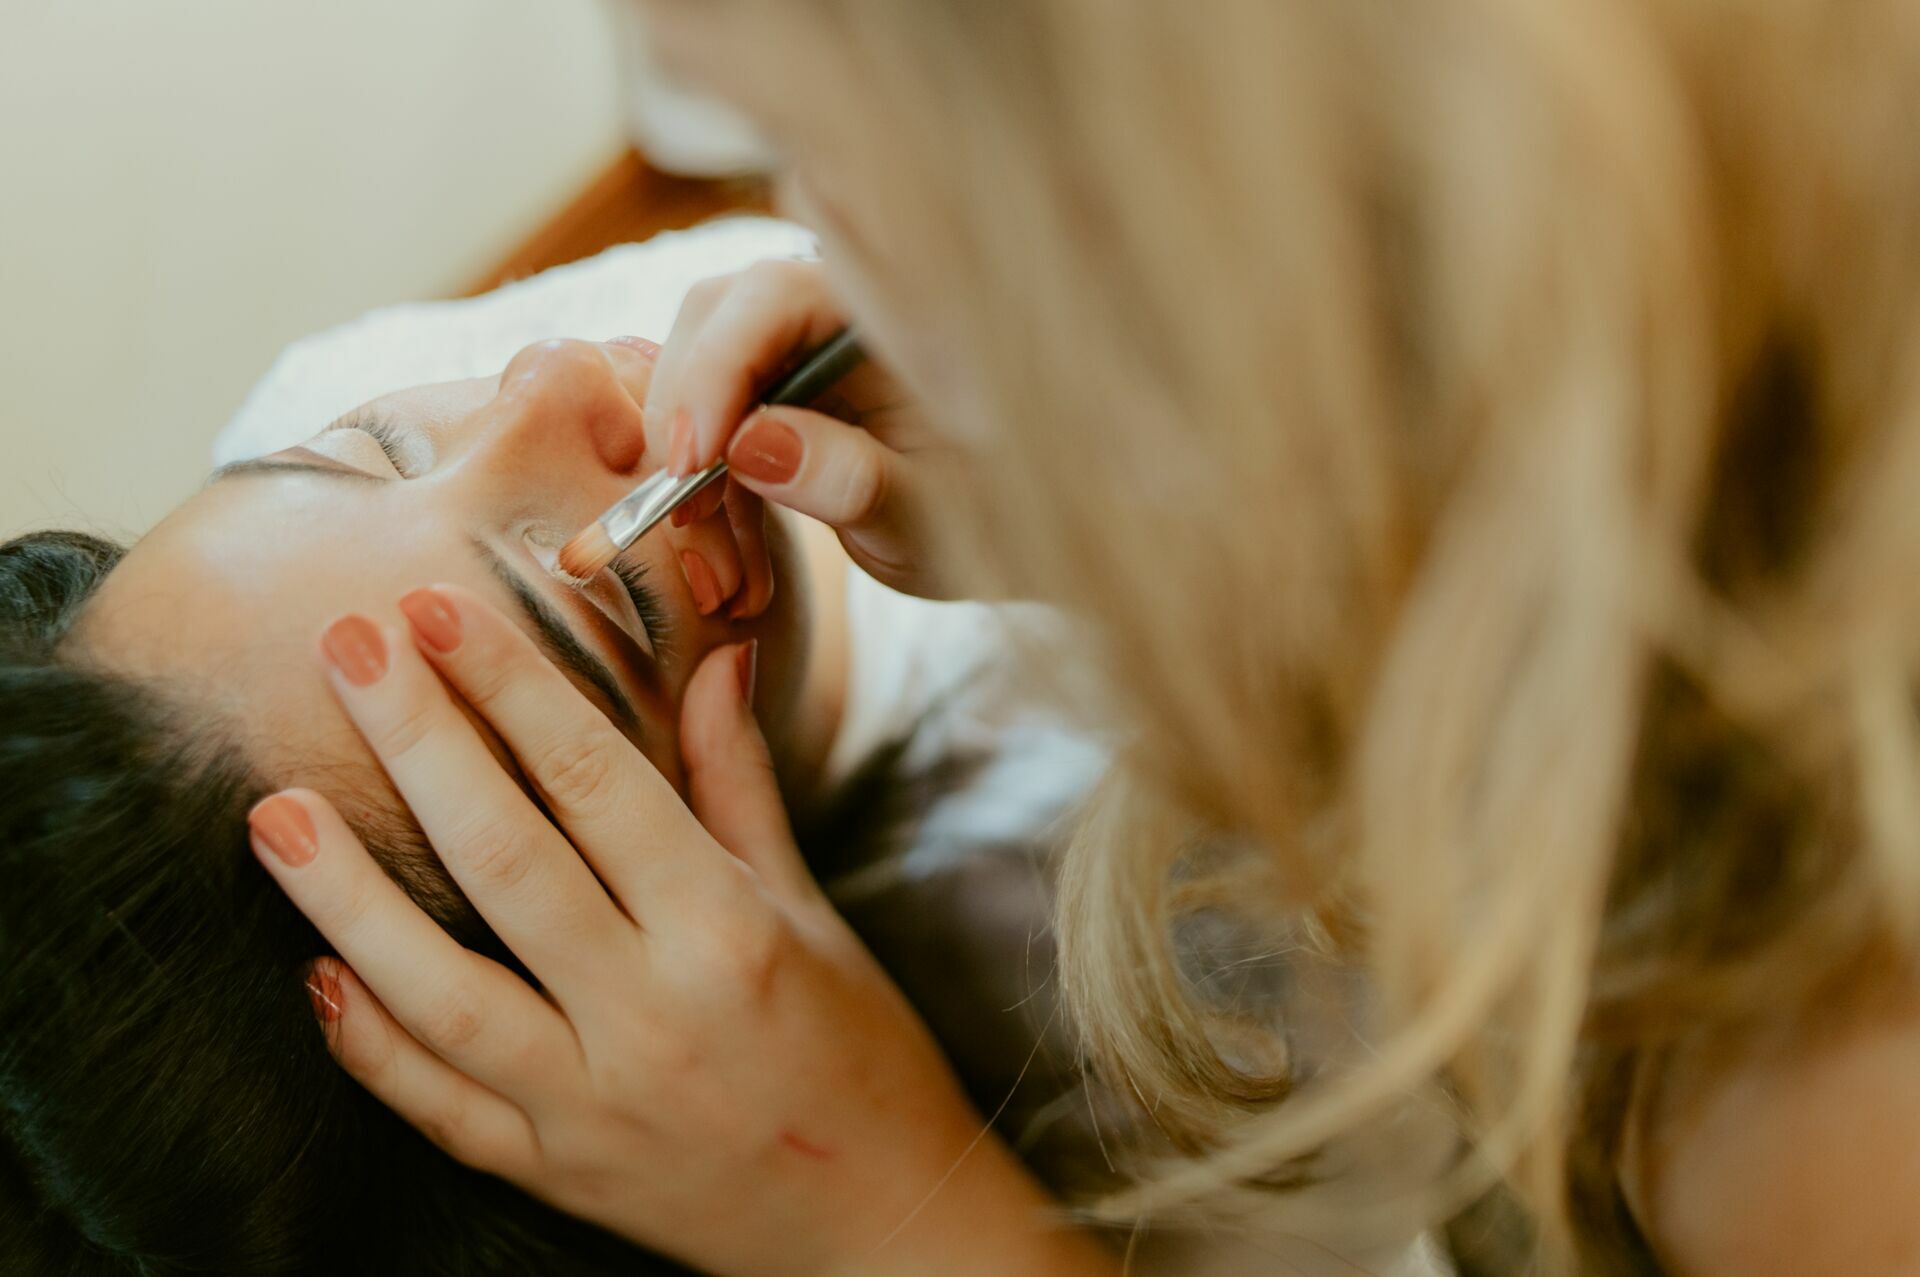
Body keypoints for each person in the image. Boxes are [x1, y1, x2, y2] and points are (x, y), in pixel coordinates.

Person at [242, 1, 1920, 1274]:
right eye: (581, 595)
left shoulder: (1823, 1086)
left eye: (826, 137)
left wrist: (910, 1226)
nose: (544, 370)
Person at [0, 335, 1135, 1274]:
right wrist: (898, 1204)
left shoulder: (342, 374)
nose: (554, 376)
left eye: (372, 450)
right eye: (612, 601)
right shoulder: (1123, 1002)